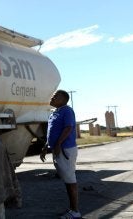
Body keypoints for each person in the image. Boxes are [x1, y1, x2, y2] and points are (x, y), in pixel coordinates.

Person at [40, 90, 81, 219]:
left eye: (55, 96)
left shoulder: (67, 111)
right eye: (52, 95)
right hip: (57, 149)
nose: (52, 97)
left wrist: (58, 144)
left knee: (70, 180)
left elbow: (68, 128)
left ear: (63, 99)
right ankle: (71, 209)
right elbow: (51, 131)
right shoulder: (54, 113)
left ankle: (75, 211)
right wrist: (46, 146)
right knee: (66, 179)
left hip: (65, 150)